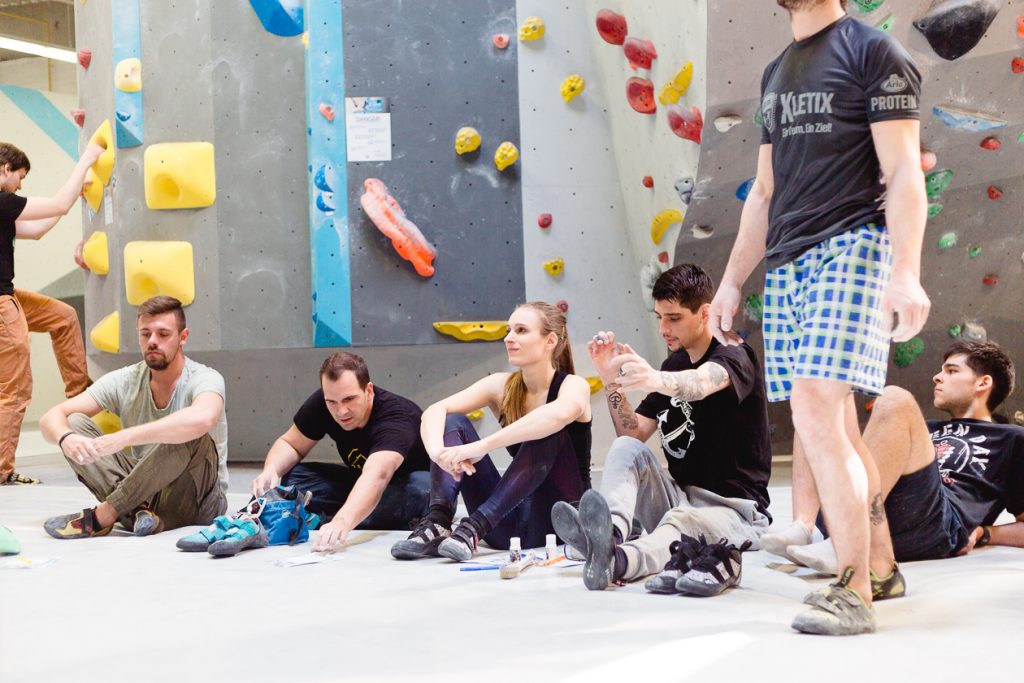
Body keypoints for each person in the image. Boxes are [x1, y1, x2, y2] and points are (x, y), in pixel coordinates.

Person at [708, 0, 929, 635]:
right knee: (833, 424)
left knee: (814, 405)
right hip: (787, 260)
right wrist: (729, 282)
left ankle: (852, 587)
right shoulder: (777, 71)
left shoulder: (872, 51)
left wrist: (906, 271)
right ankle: (881, 566)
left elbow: (904, 171)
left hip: (853, 245)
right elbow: (765, 193)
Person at [551, 264, 772, 593]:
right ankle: (608, 535)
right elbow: (633, 434)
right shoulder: (675, 363)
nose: (664, 328)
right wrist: (611, 380)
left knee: (681, 522)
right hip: (680, 498)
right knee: (626, 450)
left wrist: (653, 378)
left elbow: (699, 384)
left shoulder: (734, 354)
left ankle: (619, 560)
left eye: (674, 317)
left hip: (733, 512)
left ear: (704, 313)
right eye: (659, 317)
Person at [767, 341, 1024, 573]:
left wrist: (985, 533)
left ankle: (847, 543)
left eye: (951, 371)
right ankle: (804, 526)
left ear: (983, 383)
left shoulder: (1010, 438)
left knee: (894, 398)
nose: (937, 377)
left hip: (934, 523)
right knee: (813, 399)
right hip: (880, 506)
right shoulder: (926, 428)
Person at [390, 301, 592, 561]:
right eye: (508, 330)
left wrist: (482, 446)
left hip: (560, 522)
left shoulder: (575, 386)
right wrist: (438, 454)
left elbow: (558, 415)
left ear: (550, 340)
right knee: (453, 421)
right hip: (504, 527)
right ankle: (439, 521)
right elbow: (434, 410)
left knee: (546, 430)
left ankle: (473, 528)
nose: (509, 338)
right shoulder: (501, 385)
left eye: (521, 330)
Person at [39, 296, 227, 538]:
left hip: (198, 502)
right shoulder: (125, 379)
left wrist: (123, 437)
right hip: (144, 494)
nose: (152, 341)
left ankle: (105, 515)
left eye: (163, 334)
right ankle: (139, 512)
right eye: (145, 334)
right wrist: (65, 438)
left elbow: (203, 419)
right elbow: (50, 418)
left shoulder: (205, 377)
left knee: (192, 434)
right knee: (74, 423)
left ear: (183, 337)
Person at [250, 351, 432, 551]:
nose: (341, 411)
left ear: (369, 391)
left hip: (400, 485)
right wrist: (271, 470)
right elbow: (291, 443)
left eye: (349, 399)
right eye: (332, 402)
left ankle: (326, 517)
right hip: (359, 482)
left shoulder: (397, 417)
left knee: (421, 490)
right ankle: (350, 512)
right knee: (290, 477)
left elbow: (378, 475)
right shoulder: (324, 402)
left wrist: (343, 521)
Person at [0, 140, 104, 486]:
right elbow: (56, 202)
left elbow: (39, 230)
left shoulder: (5, 209)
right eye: (20, 177)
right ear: (5, 169)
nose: (20, 185)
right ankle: (2, 469)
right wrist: (87, 160)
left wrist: (76, 195)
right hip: (1, 303)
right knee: (15, 389)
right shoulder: (1, 200)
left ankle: (80, 400)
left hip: (9, 295)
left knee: (62, 316)